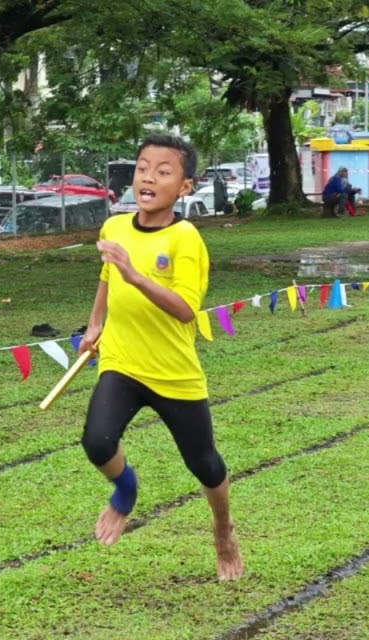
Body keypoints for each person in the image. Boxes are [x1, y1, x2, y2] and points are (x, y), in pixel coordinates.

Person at [76, 134, 244, 581]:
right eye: (142, 167)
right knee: (97, 442)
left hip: (173, 372)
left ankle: (223, 528)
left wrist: (134, 272)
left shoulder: (186, 238)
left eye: (163, 171)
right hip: (122, 362)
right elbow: (107, 279)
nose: (148, 177)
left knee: (205, 465)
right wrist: (95, 324)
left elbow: (185, 307)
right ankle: (126, 491)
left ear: (185, 187)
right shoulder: (114, 227)